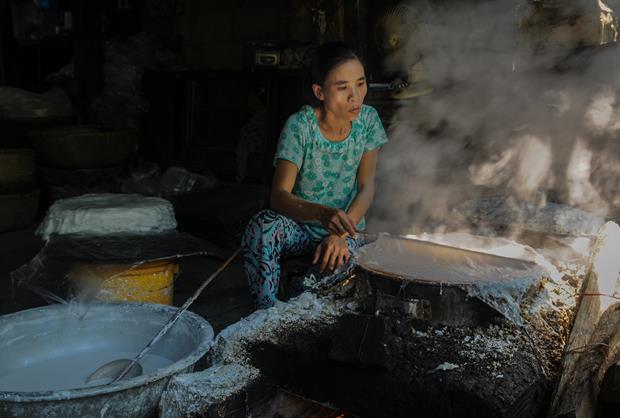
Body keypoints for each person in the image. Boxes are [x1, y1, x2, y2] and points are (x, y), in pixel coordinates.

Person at [241, 41, 388, 309]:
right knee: (263, 226)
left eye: (361, 83)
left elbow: (367, 187)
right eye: (343, 88)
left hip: (348, 232)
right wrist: (321, 214)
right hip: (299, 229)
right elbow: (279, 196)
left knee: (335, 277)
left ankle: (299, 301)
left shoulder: (368, 121)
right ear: (319, 92)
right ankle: (265, 311)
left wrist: (341, 234)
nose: (355, 96)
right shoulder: (300, 126)